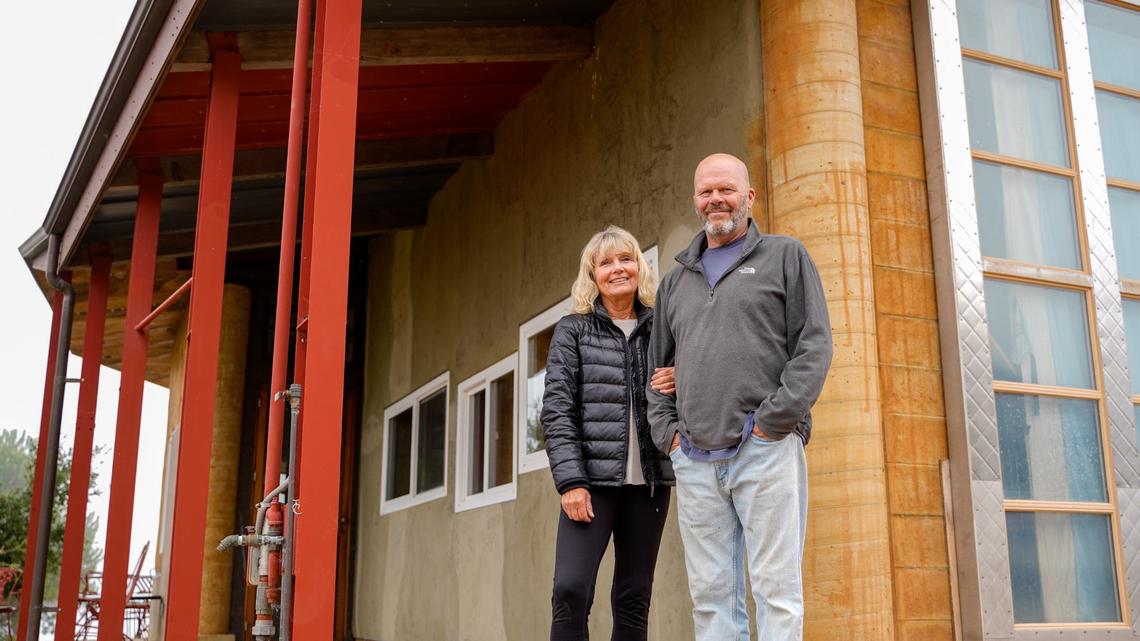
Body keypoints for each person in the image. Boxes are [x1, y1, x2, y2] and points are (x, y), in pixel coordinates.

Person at [647, 153, 833, 641]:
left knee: (777, 592)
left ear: (749, 197)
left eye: (726, 189)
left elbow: (813, 346)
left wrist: (774, 422)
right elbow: (656, 374)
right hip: (695, 457)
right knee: (711, 599)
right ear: (695, 200)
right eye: (706, 191)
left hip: (764, 451)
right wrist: (670, 437)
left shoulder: (785, 256)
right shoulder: (674, 283)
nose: (716, 199)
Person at [542, 225, 677, 641]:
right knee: (571, 589)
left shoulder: (662, 328)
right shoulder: (574, 330)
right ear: (592, 275)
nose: (618, 269)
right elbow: (557, 410)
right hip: (590, 485)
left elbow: (688, 390)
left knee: (634, 598)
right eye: (606, 263)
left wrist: (682, 377)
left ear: (639, 267)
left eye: (626, 259)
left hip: (650, 485)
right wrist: (572, 482)